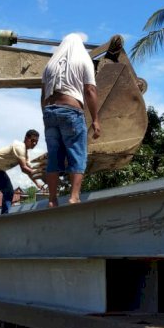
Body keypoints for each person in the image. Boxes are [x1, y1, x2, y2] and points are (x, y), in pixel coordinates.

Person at [41, 33, 101, 207]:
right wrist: (95, 119)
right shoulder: (83, 60)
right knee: (77, 154)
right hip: (71, 111)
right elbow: (89, 90)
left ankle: (52, 199)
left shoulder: (50, 65)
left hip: (49, 112)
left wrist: (45, 116)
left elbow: (43, 94)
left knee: (53, 157)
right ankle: (74, 197)